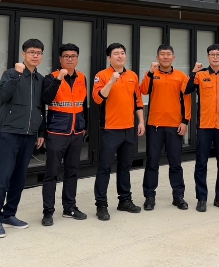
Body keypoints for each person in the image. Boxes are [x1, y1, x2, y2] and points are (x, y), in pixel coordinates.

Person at [0, 39, 46, 238]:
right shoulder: (11, 74)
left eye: (38, 53)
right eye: (31, 52)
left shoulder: (40, 79)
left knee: (19, 179)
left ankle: (9, 214)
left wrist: (41, 132)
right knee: (2, 178)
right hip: (10, 133)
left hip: (29, 135)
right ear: (23, 54)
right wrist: (16, 75)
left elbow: (40, 108)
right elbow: (3, 95)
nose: (35, 56)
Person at [92, 43, 145, 221]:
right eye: (116, 53)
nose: (120, 56)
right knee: (105, 167)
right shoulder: (101, 75)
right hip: (110, 129)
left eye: (122, 53)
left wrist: (141, 122)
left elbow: (138, 101)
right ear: (109, 58)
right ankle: (101, 204)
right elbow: (97, 99)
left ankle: (125, 200)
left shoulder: (132, 76)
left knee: (125, 166)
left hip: (129, 129)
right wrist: (111, 81)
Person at [185, 44, 219, 212]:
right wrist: (193, 72)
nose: (215, 57)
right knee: (201, 163)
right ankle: (201, 198)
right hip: (204, 126)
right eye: (212, 54)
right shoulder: (200, 75)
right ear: (208, 57)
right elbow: (187, 89)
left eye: (218, 54)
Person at [40, 44, 88, 226]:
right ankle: (48, 211)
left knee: (72, 172)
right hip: (57, 132)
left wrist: (84, 126)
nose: (70, 59)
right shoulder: (50, 78)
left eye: (73, 56)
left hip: (76, 132)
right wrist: (59, 79)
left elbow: (83, 104)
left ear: (77, 59)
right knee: (51, 173)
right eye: (66, 56)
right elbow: (46, 99)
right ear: (60, 59)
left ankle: (69, 207)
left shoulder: (82, 77)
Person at [141, 45, 191, 211]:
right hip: (154, 125)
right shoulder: (151, 74)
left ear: (173, 57)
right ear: (157, 57)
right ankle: (149, 196)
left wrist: (185, 121)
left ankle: (178, 196)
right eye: (162, 54)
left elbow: (187, 100)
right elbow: (143, 90)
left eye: (168, 54)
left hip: (174, 126)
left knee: (175, 163)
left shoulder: (181, 76)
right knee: (152, 162)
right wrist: (150, 72)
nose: (165, 57)